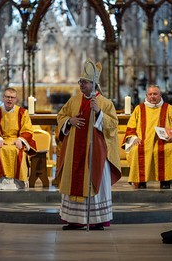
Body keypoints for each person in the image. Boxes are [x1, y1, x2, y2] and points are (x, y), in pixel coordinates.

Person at [56, 59, 121, 230]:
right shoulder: (74, 101)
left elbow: (113, 126)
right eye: (80, 82)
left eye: (84, 82)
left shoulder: (105, 103)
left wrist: (99, 113)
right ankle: (75, 219)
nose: (81, 85)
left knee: (93, 182)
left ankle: (97, 220)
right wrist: (69, 120)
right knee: (74, 180)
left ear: (93, 84)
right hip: (74, 152)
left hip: (96, 153)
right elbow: (61, 116)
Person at [123, 84, 172, 189]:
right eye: (150, 94)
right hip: (142, 141)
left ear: (160, 95)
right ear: (146, 95)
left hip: (165, 142)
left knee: (170, 149)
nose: (152, 97)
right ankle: (141, 181)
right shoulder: (139, 109)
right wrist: (134, 137)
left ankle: (166, 181)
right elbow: (130, 128)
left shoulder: (169, 109)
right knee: (136, 150)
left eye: (155, 94)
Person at [0, 87, 37, 190]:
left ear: (16, 99)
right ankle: (1, 182)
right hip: (0, 140)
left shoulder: (22, 113)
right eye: (7, 97)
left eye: (12, 97)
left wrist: (21, 140)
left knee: (18, 150)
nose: (10, 99)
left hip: (16, 141)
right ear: (3, 98)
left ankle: (18, 182)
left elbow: (28, 129)